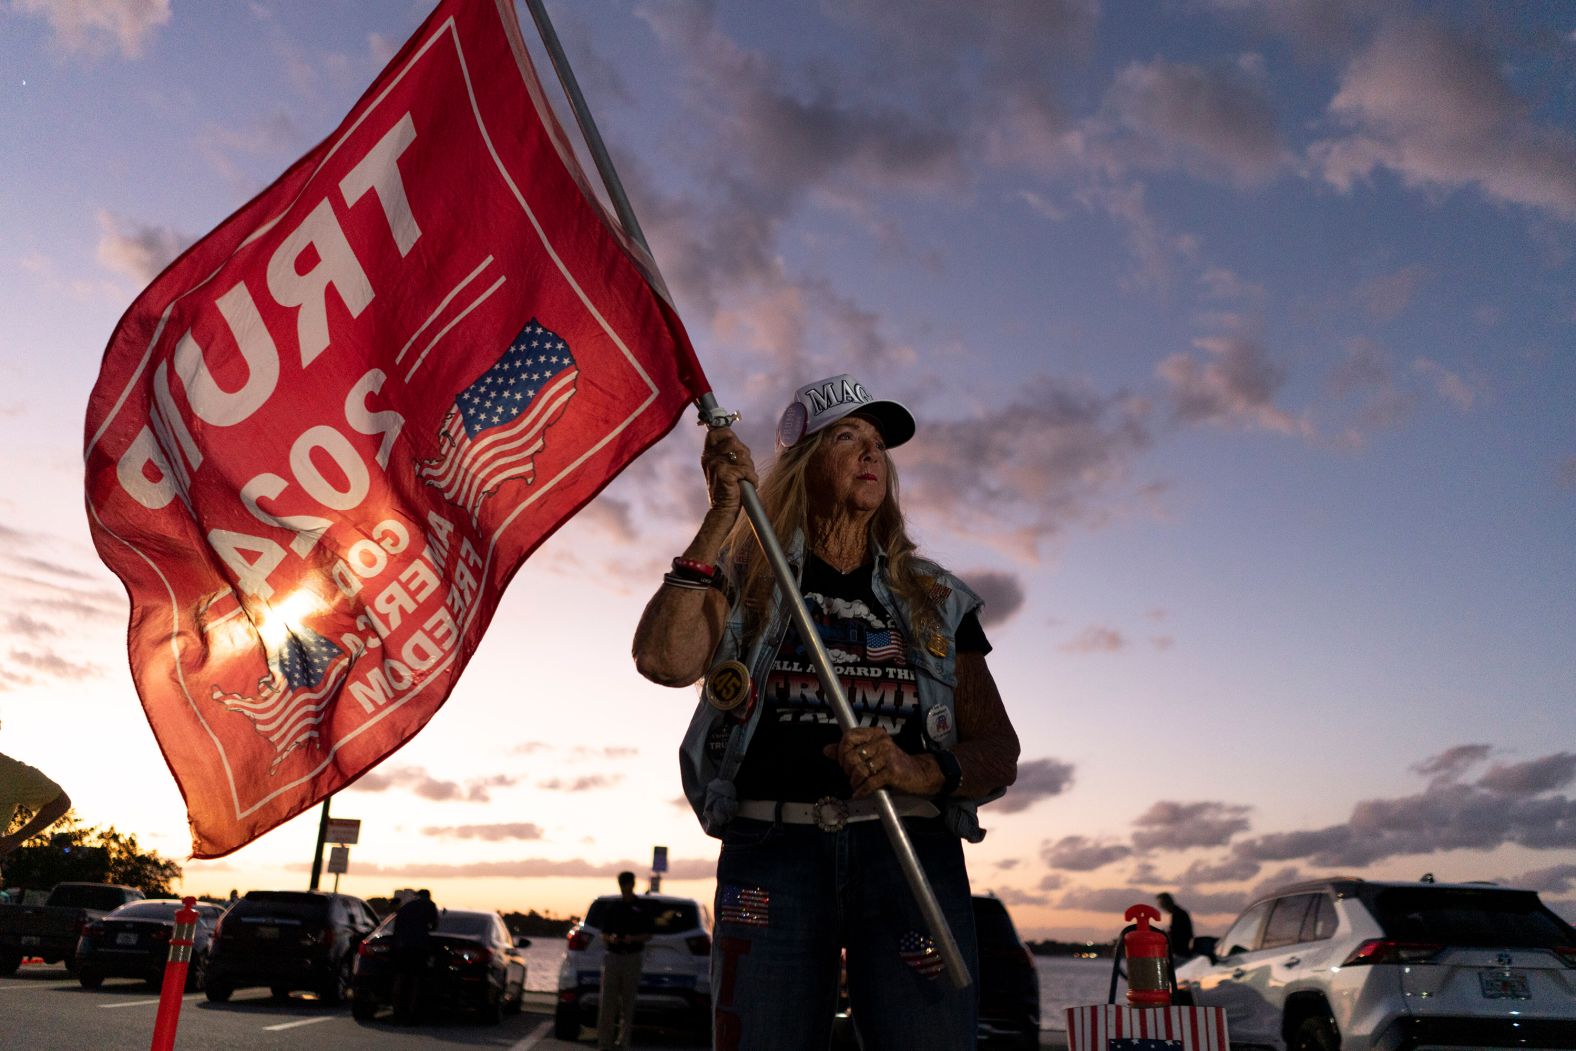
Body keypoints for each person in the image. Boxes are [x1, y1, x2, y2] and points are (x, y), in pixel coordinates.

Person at [632, 374, 1020, 1051]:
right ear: (806, 461)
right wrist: (723, 515)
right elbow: (664, 660)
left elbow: (998, 751)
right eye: (849, 437)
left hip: (909, 856)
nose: (872, 454)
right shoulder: (748, 573)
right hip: (772, 856)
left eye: (879, 444)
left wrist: (918, 769)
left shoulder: (937, 599)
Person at [596, 871, 653, 1051]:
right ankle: (605, 1043)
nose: (625, 887)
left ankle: (624, 1042)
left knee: (628, 1002)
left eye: (627, 883)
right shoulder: (613, 907)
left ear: (633, 884)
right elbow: (603, 933)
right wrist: (611, 938)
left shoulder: (641, 907)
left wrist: (633, 939)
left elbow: (648, 934)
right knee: (607, 1002)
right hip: (613, 956)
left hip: (632, 957)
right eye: (623, 884)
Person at [390, 888, 438, 1024]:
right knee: (415, 980)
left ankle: (396, 1010)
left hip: (402, 946)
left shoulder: (406, 907)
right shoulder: (430, 905)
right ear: (428, 896)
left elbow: (396, 927)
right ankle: (410, 1012)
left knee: (400, 977)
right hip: (419, 947)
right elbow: (434, 926)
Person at [1157, 892, 1194, 964]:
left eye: (1161, 904)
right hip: (1181, 951)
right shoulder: (1179, 913)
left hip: (1180, 952)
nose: (1161, 907)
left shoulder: (1178, 914)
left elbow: (1178, 934)